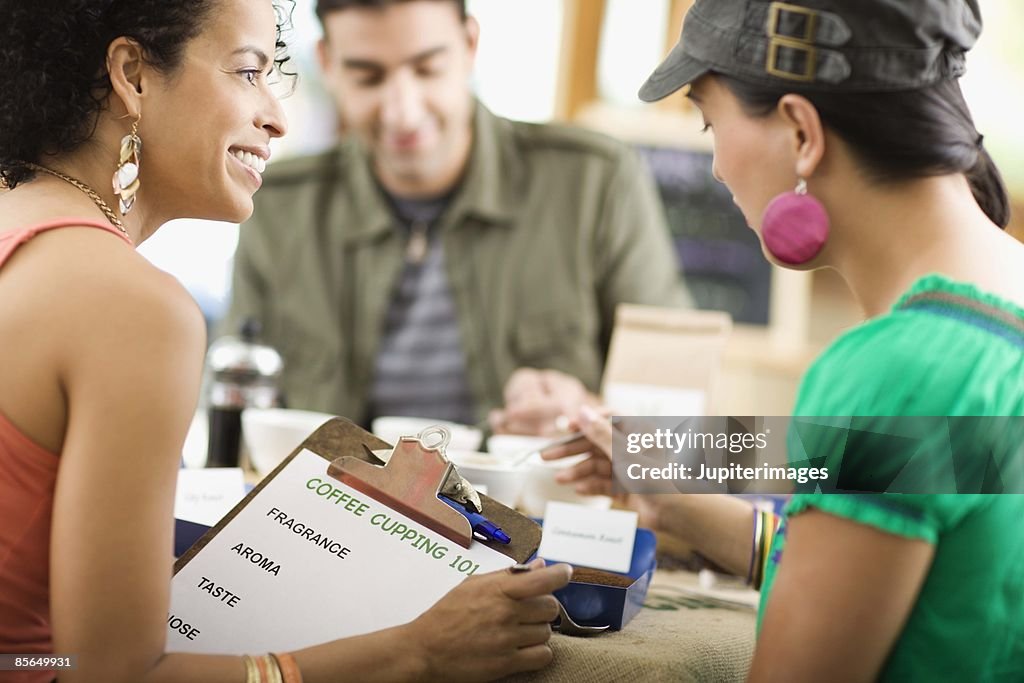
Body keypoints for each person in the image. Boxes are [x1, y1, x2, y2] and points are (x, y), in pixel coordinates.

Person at [0, 2, 570, 682]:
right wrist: (416, 650)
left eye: (276, 76)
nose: (278, 116)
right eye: (248, 72)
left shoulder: (24, 229)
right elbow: (112, 674)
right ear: (132, 75)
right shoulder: (133, 306)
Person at [546, 0, 1024, 680]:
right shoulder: (980, 338)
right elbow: (922, 534)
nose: (714, 167)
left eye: (710, 120)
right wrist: (668, 464)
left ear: (802, 131)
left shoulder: (890, 371)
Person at [222, 0, 690, 436]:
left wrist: (591, 415)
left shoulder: (595, 183)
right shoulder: (278, 206)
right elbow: (232, 415)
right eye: (368, 77)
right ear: (326, 64)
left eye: (427, 69)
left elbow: (691, 437)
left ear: (470, 46)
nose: (403, 112)